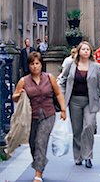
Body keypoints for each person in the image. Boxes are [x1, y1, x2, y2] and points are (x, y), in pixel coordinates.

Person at [12, 51, 66, 182]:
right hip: (31, 115)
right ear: (29, 66)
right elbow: (14, 97)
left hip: (48, 114)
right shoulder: (23, 81)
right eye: (32, 64)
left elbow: (58, 93)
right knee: (33, 144)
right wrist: (19, 95)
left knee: (41, 141)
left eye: (37, 63)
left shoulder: (49, 78)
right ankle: (39, 162)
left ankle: (38, 174)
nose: (35, 66)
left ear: (41, 64)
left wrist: (63, 109)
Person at [58, 41, 100, 168]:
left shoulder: (96, 66)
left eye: (88, 49)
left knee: (89, 127)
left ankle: (88, 156)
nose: (86, 51)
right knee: (77, 130)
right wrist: (62, 97)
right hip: (74, 101)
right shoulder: (71, 65)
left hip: (90, 101)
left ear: (90, 52)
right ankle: (78, 156)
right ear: (79, 51)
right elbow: (62, 80)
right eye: (83, 49)